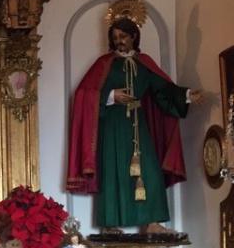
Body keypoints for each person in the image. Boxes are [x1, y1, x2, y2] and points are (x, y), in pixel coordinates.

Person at [66, 17, 202, 232]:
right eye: (115, 37)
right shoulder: (104, 63)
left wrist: (186, 95)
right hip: (112, 125)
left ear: (134, 36)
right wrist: (112, 95)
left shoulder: (144, 63)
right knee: (112, 170)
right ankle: (110, 225)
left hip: (139, 124)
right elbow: (84, 94)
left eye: (123, 36)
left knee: (149, 169)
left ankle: (153, 222)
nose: (119, 41)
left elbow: (163, 89)